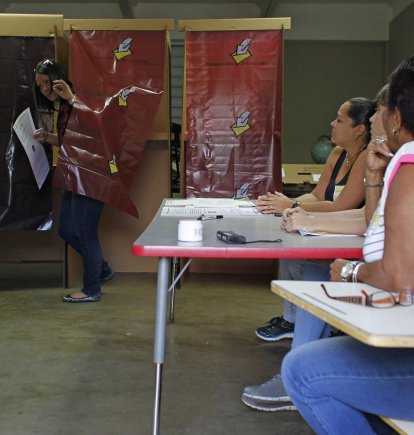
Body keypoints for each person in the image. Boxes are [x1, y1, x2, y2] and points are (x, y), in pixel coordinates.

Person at [281, 55, 414, 434]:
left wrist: (352, 270)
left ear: (398, 118)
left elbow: (398, 275)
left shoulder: (409, 162)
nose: (375, 118)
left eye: (381, 110)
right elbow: (378, 231)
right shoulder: (380, 161)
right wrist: (374, 178)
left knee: (302, 371)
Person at [242, 86, 391, 412]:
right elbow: (366, 216)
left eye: (339, 119)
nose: (331, 123)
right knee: (306, 262)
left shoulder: (387, 159)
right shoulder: (375, 160)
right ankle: (297, 356)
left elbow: (358, 215)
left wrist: (301, 212)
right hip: (372, 257)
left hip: (379, 269)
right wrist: (298, 210)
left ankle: (296, 372)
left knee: (312, 267)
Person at [255, 97, 376, 343]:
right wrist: (291, 205)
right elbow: (318, 194)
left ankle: (307, 319)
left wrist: (294, 206)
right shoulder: (337, 153)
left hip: (348, 236)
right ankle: (291, 319)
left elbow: (343, 206)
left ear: (359, 129)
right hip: (329, 227)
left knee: (305, 262)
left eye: (340, 120)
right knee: (288, 245)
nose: (332, 123)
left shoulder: (367, 158)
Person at [33, 59, 113, 303]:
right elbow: (70, 140)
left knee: (86, 233)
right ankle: (102, 270)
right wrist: (47, 137)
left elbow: (98, 123)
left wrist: (70, 98)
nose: (43, 91)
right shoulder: (64, 108)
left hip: (92, 174)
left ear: (56, 80)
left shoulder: (77, 100)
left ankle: (91, 289)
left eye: (45, 84)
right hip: (76, 175)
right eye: (39, 86)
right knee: (67, 229)